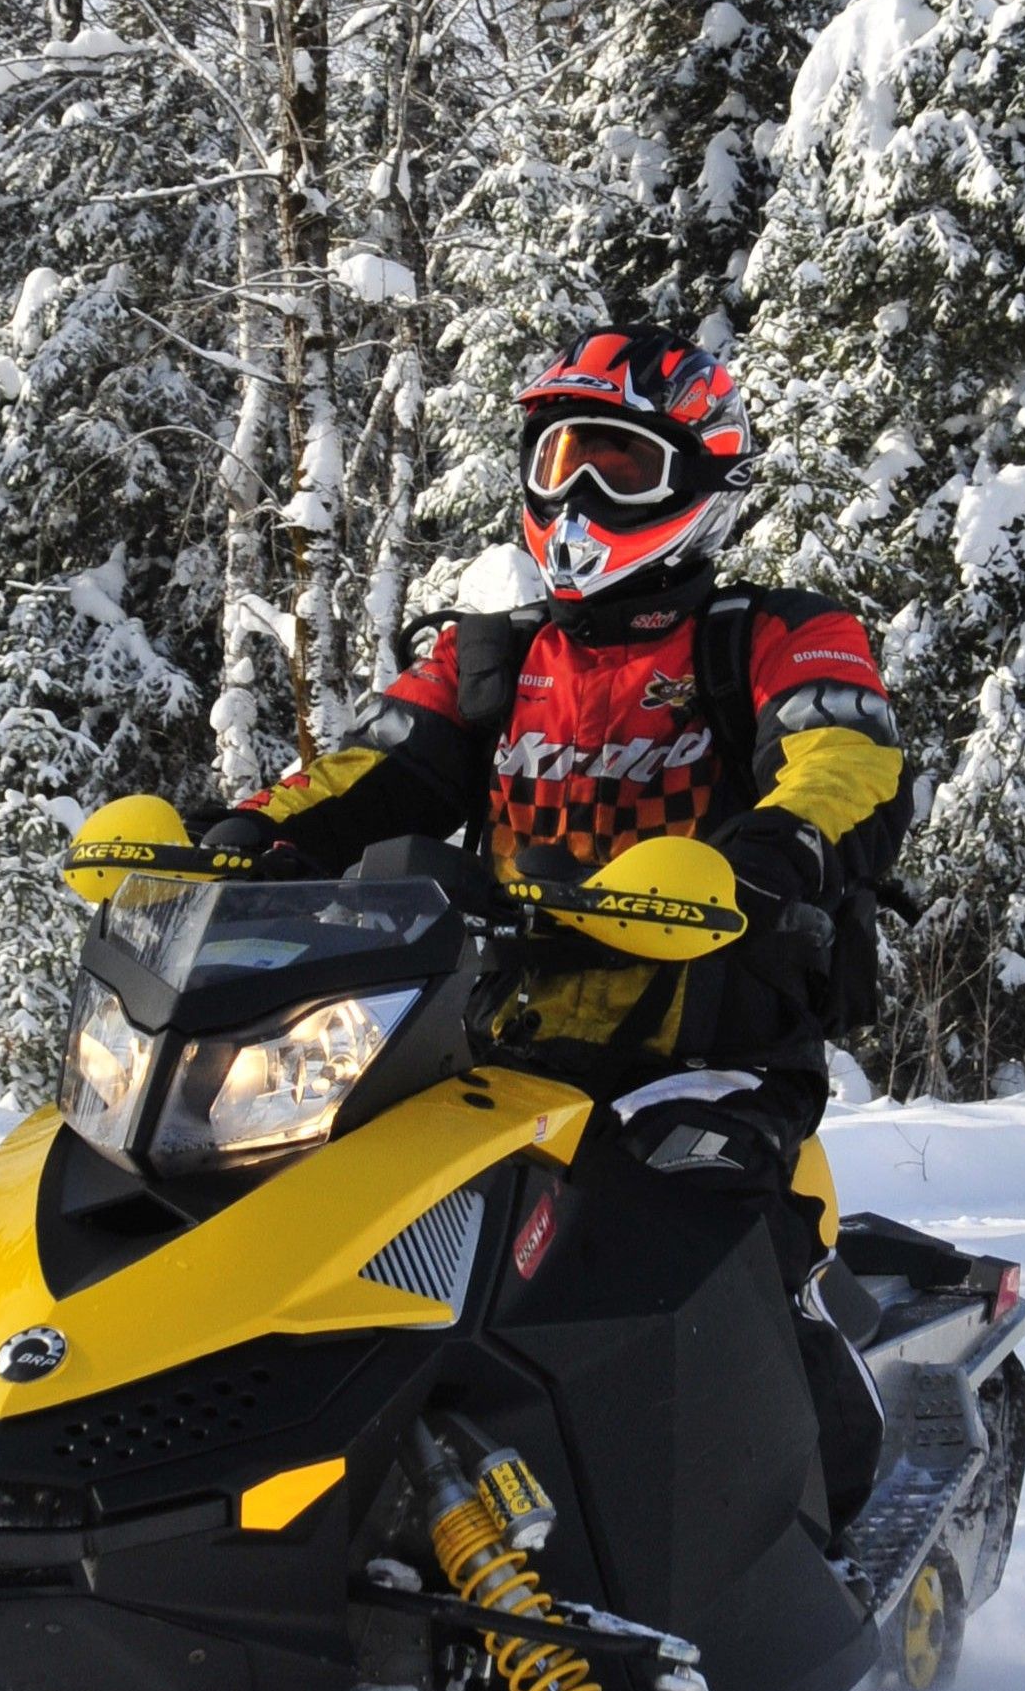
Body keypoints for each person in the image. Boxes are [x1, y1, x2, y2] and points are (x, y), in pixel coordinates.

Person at [203, 330, 909, 1523]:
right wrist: (240, 833)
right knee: (296, 1215)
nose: (579, 495)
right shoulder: (497, 656)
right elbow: (375, 770)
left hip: (703, 1046)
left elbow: (846, 753)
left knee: (704, 1254)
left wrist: (781, 841)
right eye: (559, 459)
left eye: (620, 468)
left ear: (698, 483)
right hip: (480, 1038)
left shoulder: (776, 632)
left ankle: (827, 1516)